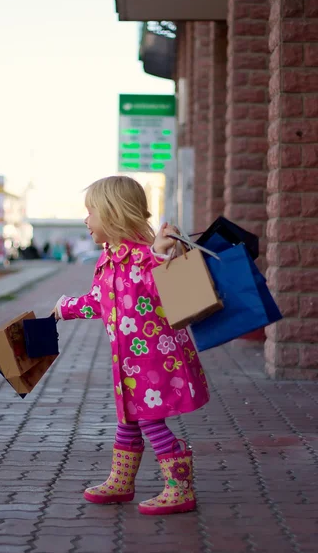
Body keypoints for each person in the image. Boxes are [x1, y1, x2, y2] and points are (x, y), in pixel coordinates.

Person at [53, 176, 209, 516]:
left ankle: (179, 488)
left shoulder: (144, 258)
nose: (86, 220)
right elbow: (98, 302)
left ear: (112, 214)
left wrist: (157, 252)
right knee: (128, 419)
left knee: (150, 420)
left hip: (156, 360)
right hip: (129, 364)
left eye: (90, 212)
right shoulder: (108, 259)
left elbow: (158, 283)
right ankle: (121, 481)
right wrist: (65, 308)